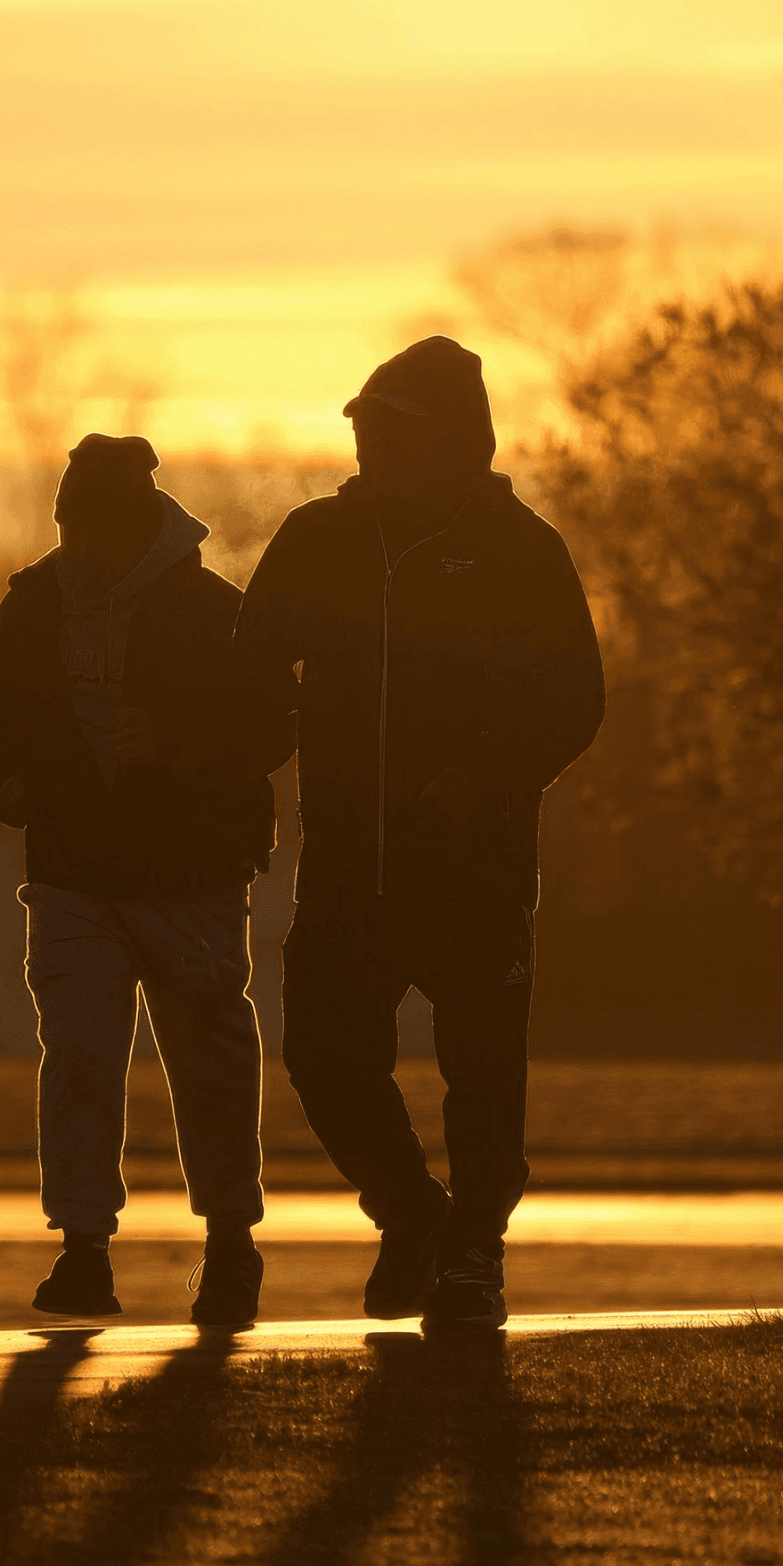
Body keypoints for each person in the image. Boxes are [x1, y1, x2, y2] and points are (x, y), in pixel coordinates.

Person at [235, 336, 605, 1329]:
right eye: (362, 432)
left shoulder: (525, 551)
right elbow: (252, 674)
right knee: (320, 1052)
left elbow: (575, 698)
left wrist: (489, 774)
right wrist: (236, 757)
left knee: (484, 1075)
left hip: (475, 870)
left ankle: (474, 1249)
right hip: (349, 866)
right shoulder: (316, 540)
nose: (370, 451)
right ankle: (412, 1212)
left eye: (393, 435)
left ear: (456, 445)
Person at [0, 433, 277, 1326]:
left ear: (130, 526)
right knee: (78, 1052)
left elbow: (268, 730)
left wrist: (175, 747)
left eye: (85, 528)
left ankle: (229, 1244)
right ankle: (83, 1251)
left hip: (189, 873)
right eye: (65, 525)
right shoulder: (32, 605)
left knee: (208, 1058)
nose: (73, 546)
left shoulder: (211, 610)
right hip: (74, 871)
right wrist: (16, 789)